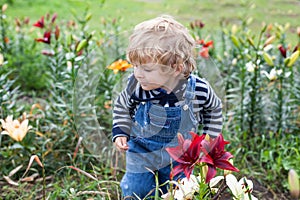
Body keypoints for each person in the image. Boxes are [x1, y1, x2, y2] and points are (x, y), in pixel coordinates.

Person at [112, 15, 222, 199]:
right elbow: (123, 106)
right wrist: (121, 131)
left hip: (182, 156)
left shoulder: (197, 90)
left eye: (146, 69)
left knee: (180, 192)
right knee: (136, 191)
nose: (138, 74)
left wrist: (209, 138)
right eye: (135, 66)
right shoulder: (137, 87)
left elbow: (213, 109)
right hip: (142, 151)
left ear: (176, 68)